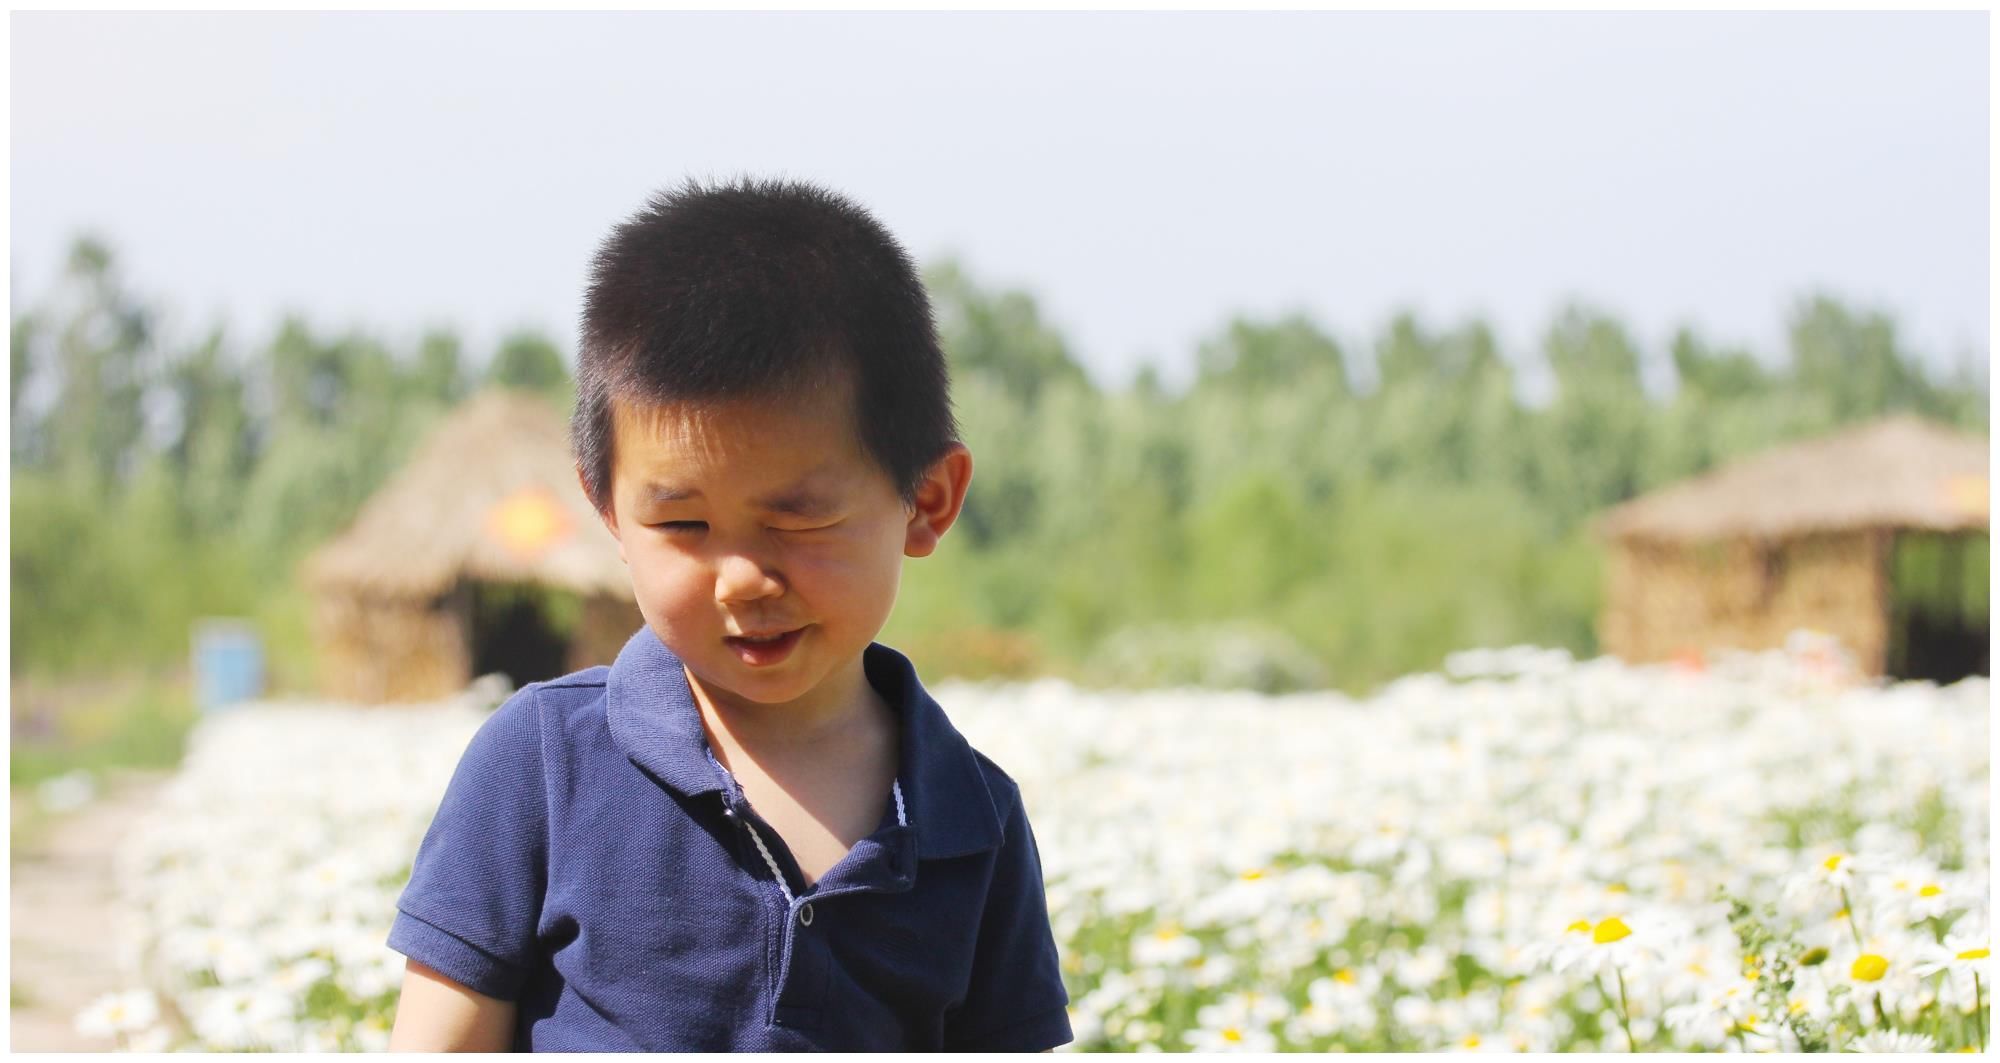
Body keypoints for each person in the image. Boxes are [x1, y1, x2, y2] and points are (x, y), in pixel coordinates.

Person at [384, 177, 1073, 1051]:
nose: (742, 577)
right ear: (608, 513)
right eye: (683, 524)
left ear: (927, 500)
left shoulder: (972, 824)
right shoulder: (544, 763)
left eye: (799, 518)